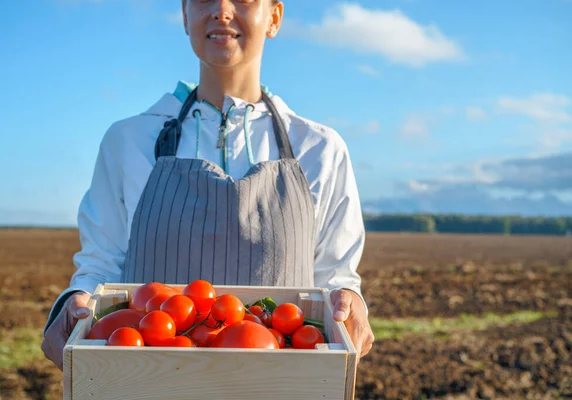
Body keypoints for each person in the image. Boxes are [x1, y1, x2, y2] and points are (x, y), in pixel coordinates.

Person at [41, 0, 374, 370]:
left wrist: (349, 300)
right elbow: (101, 265)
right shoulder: (129, 140)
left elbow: (334, 277)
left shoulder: (319, 149)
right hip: (146, 380)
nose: (222, 10)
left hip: (279, 382)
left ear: (274, 16)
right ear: (185, 15)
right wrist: (76, 303)